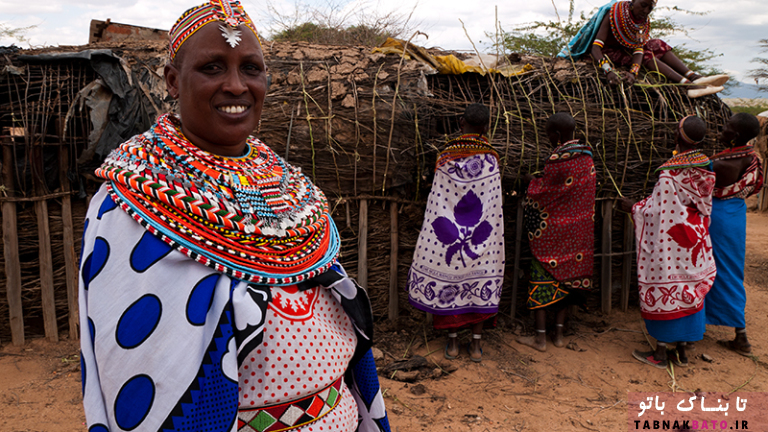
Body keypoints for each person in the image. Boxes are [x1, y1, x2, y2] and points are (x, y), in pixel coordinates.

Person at [78, 2, 390, 431]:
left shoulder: (284, 186)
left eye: (251, 68)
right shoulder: (131, 199)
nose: (236, 85)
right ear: (173, 80)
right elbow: (139, 357)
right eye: (212, 68)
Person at [407, 103, 504, 363]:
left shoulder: (447, 157)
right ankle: (475, 346)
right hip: (482, 239)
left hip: (449, 236)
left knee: (450, 278)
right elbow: (492, 204)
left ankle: (451, 343)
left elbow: (439, 200)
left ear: (461, 123)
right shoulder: (491, 159)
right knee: (478, 281)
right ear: (485, 128)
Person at [622, 115, 716, 368]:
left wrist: (634, 207)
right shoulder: (706, 165)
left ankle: (661, 353)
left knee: (667, 286)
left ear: (677, 135)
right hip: (696, 237)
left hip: (672, 243)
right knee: (690, 285)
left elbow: (657, 212)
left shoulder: (670, 173)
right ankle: (683, 352)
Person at [516, 113, 596, 352]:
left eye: (548, 135)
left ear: (557, 135)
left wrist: (530, 181)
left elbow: (546, 192)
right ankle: (559, 335)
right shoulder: (586, 158)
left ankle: (540, 338)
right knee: (567, 283)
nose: (548, 139)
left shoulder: (559, 159)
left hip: (552, 236)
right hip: (578, 235)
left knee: (541, 279)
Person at [558, 0, 728, 98]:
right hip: (605, 53)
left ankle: (694, 77)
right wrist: (608, 70)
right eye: (643, 5)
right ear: (633, 0)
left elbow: (638, 49)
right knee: (648, 55)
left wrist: (633, 72)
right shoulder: (614, 14)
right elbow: (596, 48)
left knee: (658, 44)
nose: (645, 11)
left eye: (650, 8)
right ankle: (686, 86)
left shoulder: (641, 22)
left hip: (627, 49)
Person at [705, 113, 764, 356]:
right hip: (736, 215)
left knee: (717, 270)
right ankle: (738, 334)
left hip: (718, 218)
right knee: (730, 270)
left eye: (727, 126)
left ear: (736, 135)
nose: (721, 128)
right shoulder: (751, 158)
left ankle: (741, 337)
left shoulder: (724, 164)